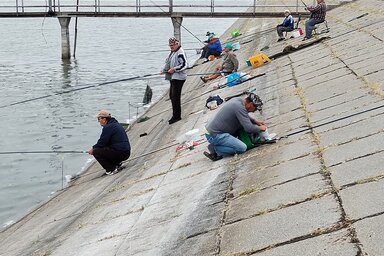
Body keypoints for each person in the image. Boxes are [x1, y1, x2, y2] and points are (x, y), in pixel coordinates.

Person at [203, 93, 269, 161]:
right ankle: (216, 149)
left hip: (212, 130)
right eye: (255, 108)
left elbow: (244, 116)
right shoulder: (239, 107)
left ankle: (221, 145)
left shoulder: (239, 101)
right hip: (214, 134)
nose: (254, 111)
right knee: (242, 148)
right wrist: (260, 128)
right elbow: (249, 128)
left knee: (242, 127)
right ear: (251, 104)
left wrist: (255, 121)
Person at [88, 110, 131, 175]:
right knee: (105, 148)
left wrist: (93, 148)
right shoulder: (116, 124)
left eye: (99, 119)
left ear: (104, 119)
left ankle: (111, 169)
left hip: (121, 153)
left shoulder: (108, 127)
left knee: (96, 151)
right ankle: (117, 164)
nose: (98, 121)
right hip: (126, 152)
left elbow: (102, 142)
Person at [162, 37, 188, 125]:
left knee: (175, 97)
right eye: (170, 46)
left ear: (177, 44)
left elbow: (184, 65)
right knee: (172, 96)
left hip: (179, 77)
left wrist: (174, 69)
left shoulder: (180, 52)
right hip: (174, 77)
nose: (171, 47)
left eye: (172, 45)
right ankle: (174, 115)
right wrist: (165, 70)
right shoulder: (174, 52)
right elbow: (169, 62)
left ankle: (177, 116)